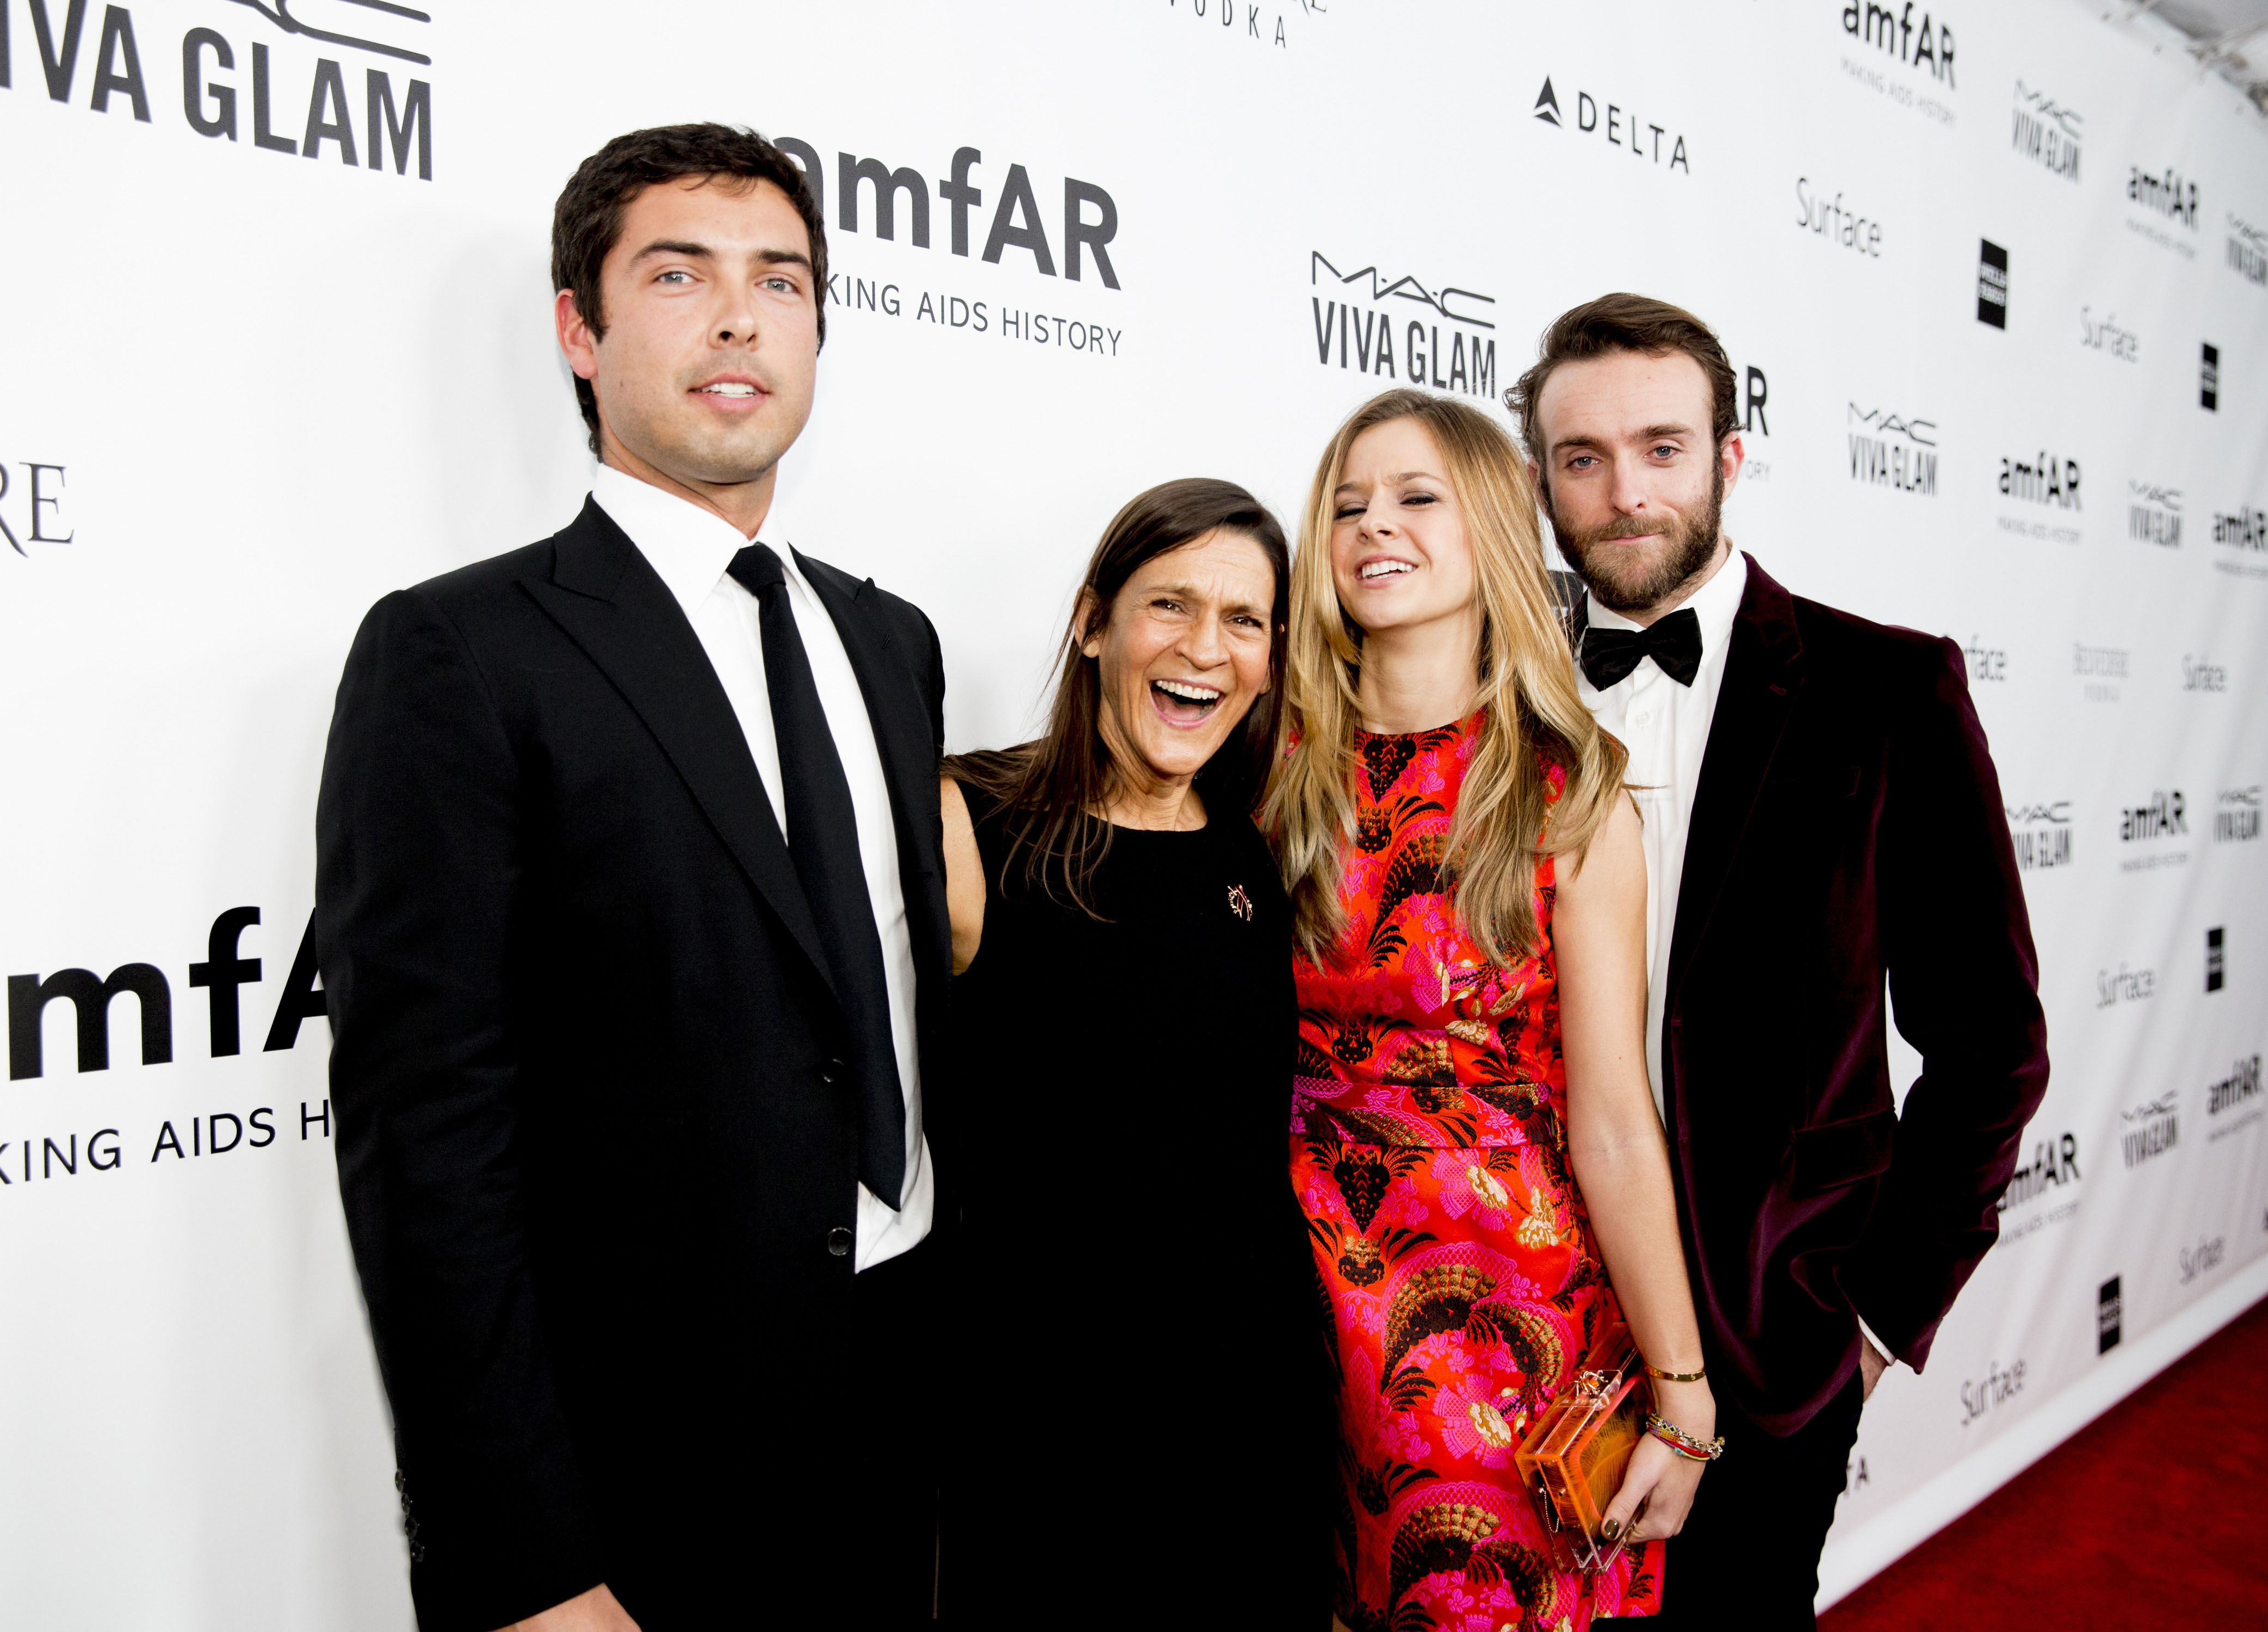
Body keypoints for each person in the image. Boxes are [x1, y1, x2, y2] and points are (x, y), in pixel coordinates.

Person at [314, 124, 953, 1631]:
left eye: (779, 280)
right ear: (579, 332)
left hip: (905, 1390)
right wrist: (524, 1556)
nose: (740, 317)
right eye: (679, 275)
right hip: (638, 1460)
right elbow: (426, 1139)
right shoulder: (459, 653)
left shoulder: (892, 641)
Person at [1509, 294, 2049, 1628]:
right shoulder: (1495, 696)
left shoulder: (1888, 692)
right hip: (1522, 1307)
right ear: (1541, 483)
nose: (1623, 492)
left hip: (1770, 1335)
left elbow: (1990, 1043)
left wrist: (1870, 1323)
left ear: (1729, 459)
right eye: (1582, 458)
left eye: (1660, 448)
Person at [1268, 388, 1717, 1631]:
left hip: (1498, 1319)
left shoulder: (1571, 794)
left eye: (1418, 497)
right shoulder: (1268, 762)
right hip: (1277, 1289)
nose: (1375, 526)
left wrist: (1683, 1391)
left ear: (1494, 531)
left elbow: (1616, 1121)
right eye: (1348, 503)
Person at [937, 477, 1330, 1625]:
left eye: (1246, 621)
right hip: (1044, 1432)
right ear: (1092, 620)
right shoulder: (970, 819)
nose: (1206, 648)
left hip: (1253, 1422)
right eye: (1169, 605)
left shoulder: (1254, 857)